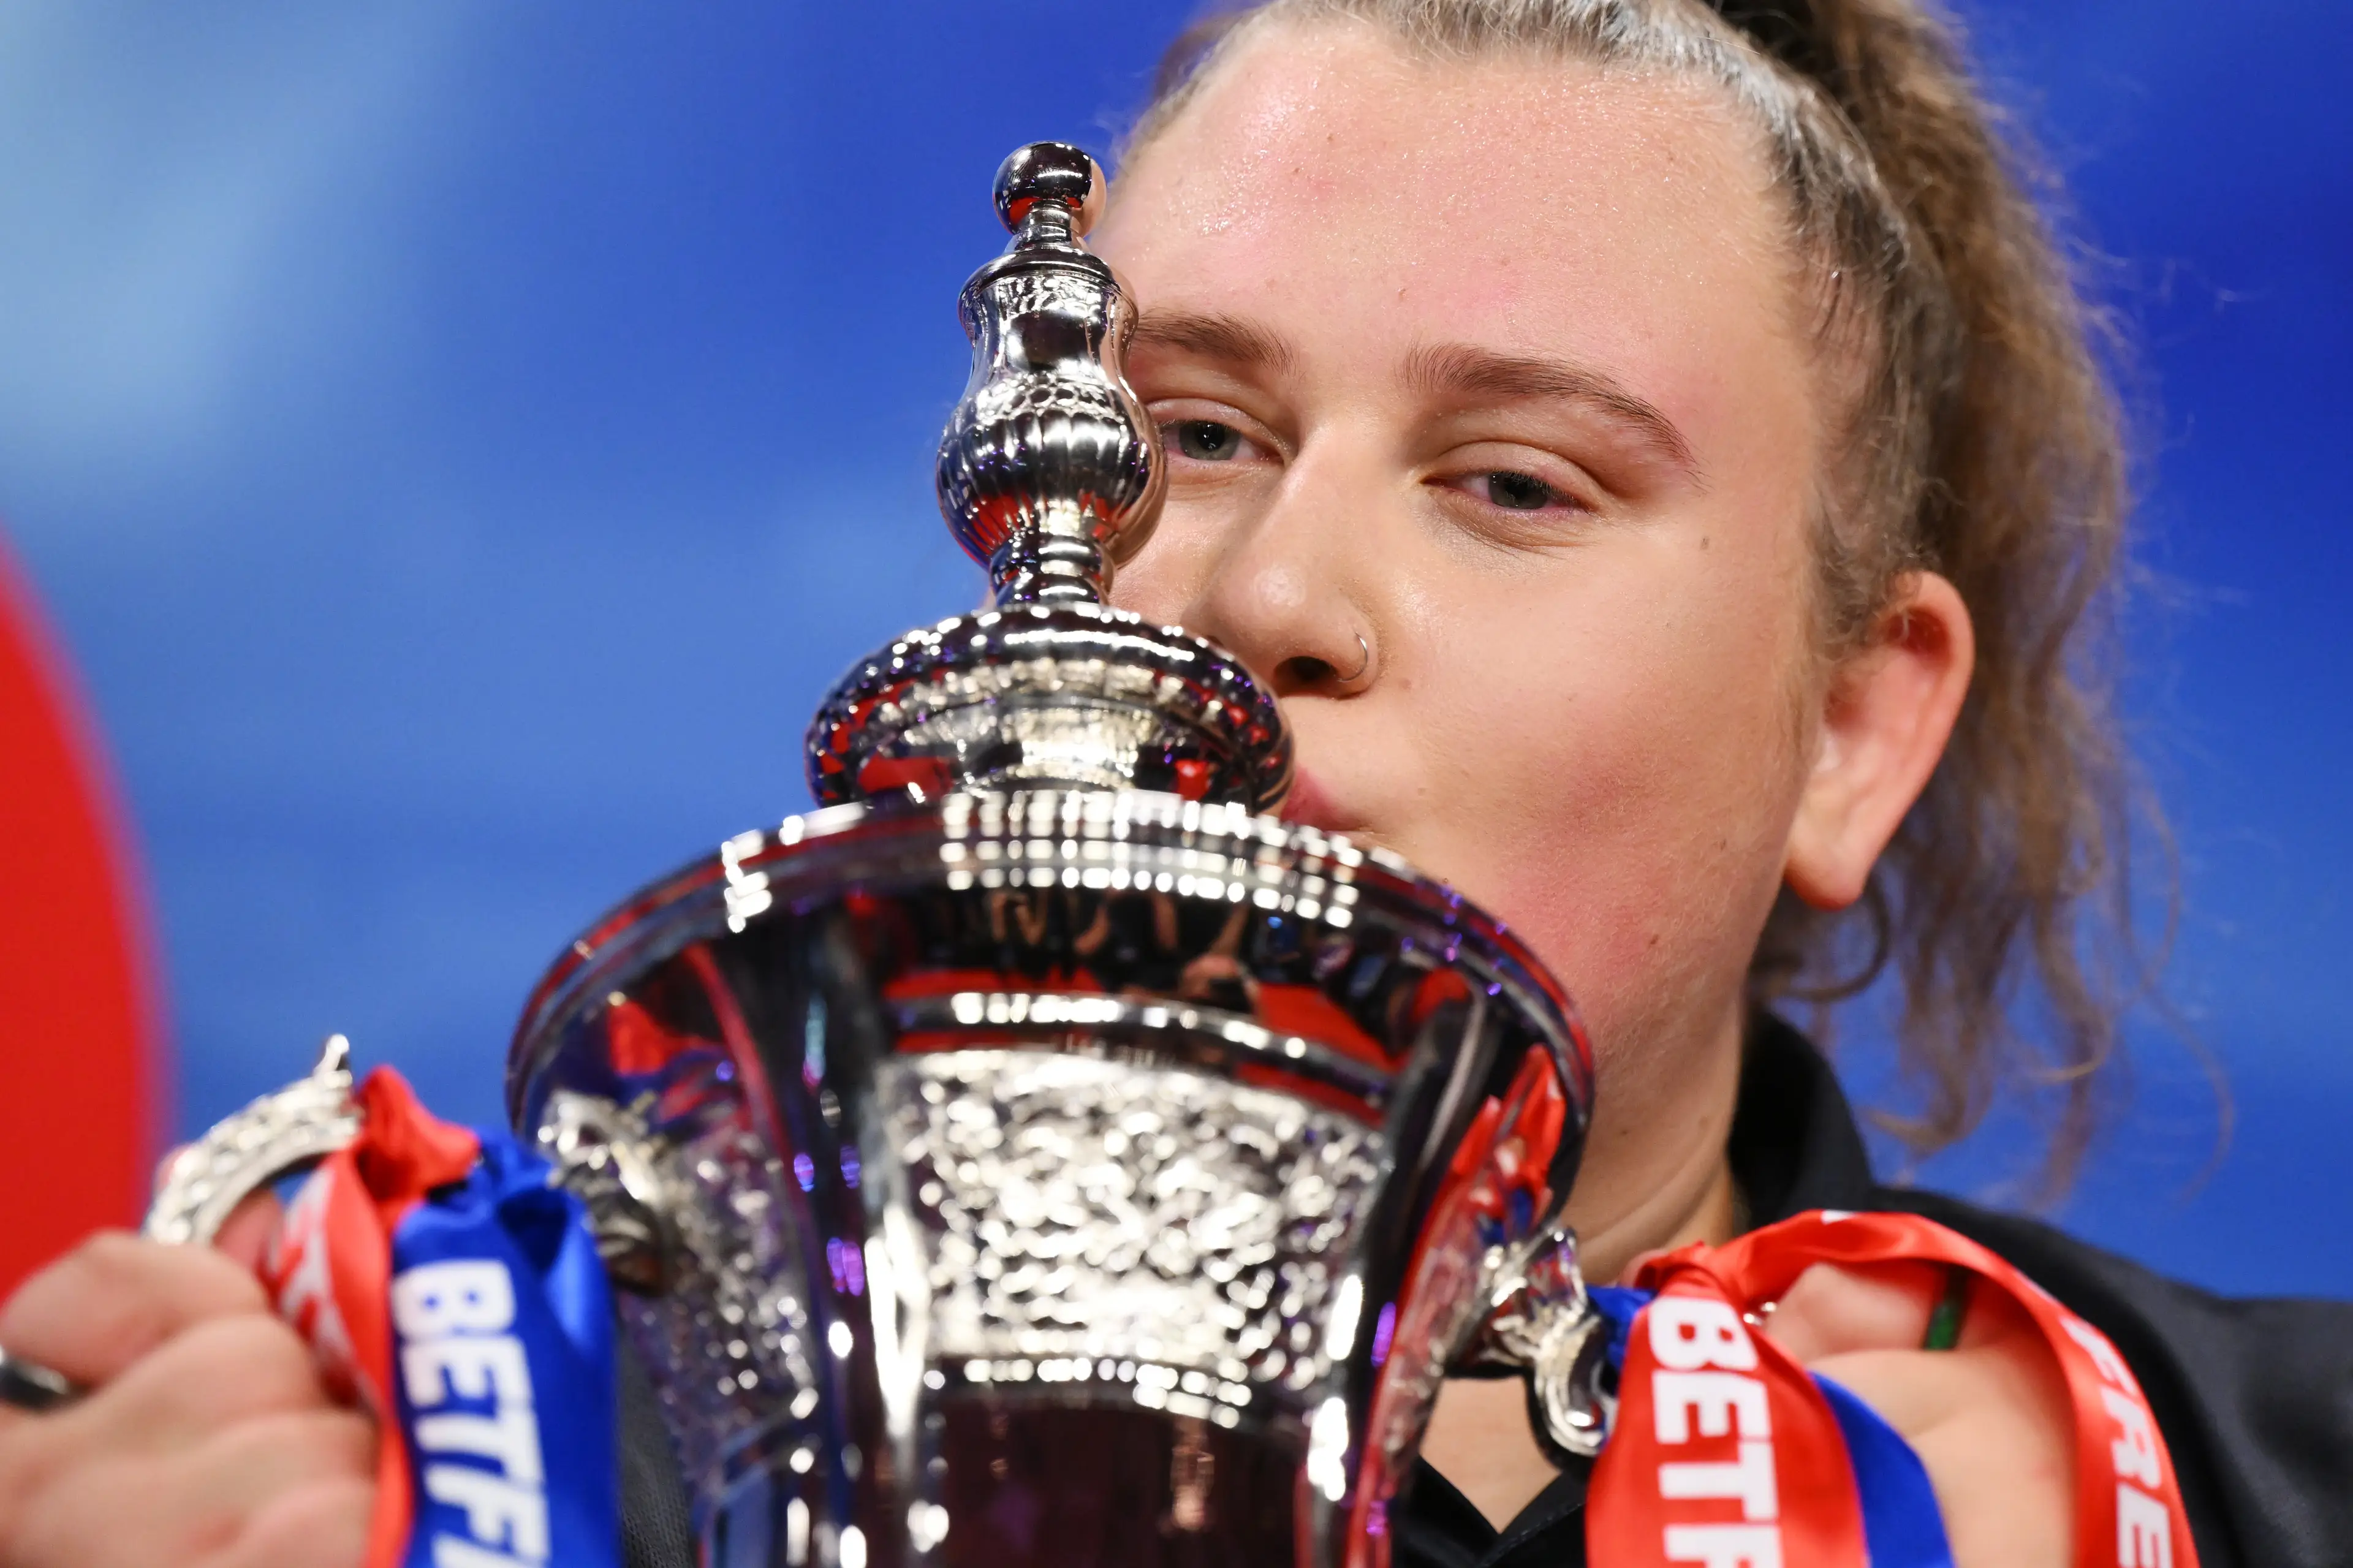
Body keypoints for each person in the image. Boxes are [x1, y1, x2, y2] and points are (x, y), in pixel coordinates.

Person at [1, 2, 2346, 1565]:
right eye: (1196, 435)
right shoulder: (465, 1440)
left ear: (1855, 729)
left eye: (1517, 482)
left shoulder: (2230, 1489)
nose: (1267, 592)